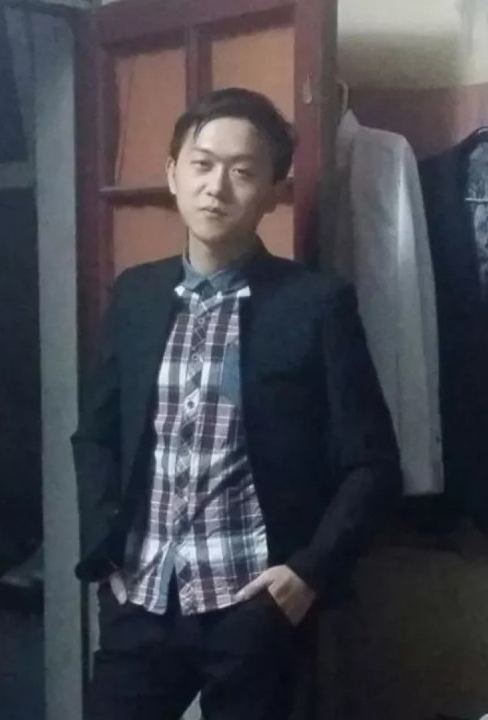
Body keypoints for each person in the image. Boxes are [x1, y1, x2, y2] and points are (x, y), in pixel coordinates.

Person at [73, 87, 401, 720]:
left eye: (243, 171)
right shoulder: (137, 295)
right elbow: (96, 436)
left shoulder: (315, 305)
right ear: (173, 173)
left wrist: (309, 573)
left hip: (252, 604)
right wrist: (105, 552)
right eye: (201, 164)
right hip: (142, 594)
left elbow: (373, 464)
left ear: (274, 190)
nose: (216, 188)